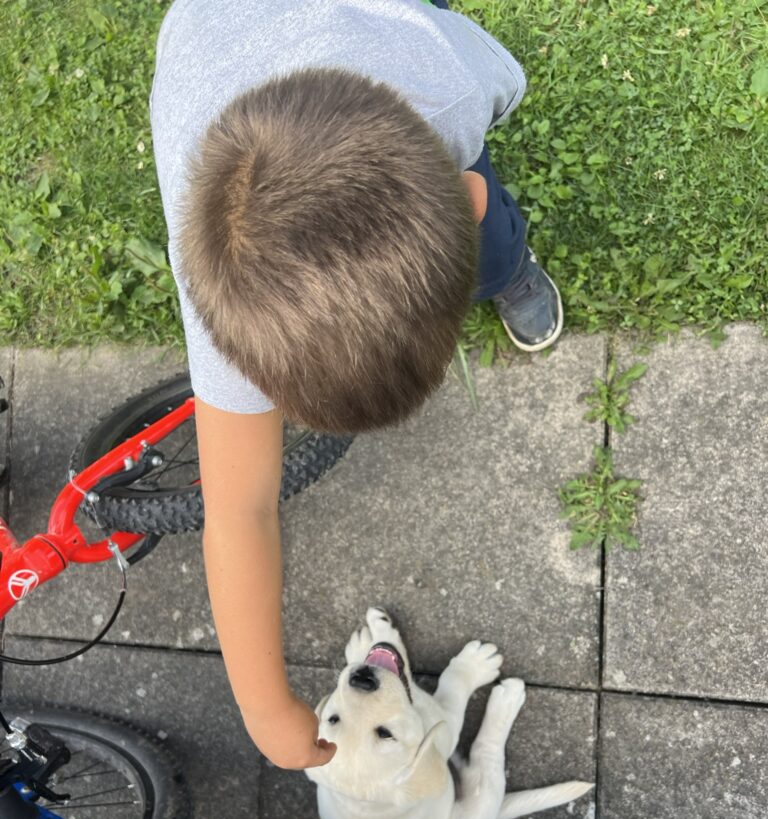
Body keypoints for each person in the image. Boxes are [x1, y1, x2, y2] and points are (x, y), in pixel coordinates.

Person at [149, 0, 563, 770]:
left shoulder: (447, 80)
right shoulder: (223, 286)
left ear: (458, 200)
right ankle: (495, 263)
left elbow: (504, 88)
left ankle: (506, 270)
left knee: (496, 248)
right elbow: (234, 508)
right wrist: (264, 706)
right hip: (213, 36)